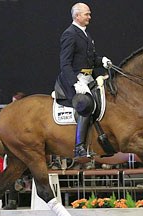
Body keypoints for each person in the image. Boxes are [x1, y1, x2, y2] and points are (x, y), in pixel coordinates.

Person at [55, 2, 112, 158]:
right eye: (86, 14)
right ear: (77, 15)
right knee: (85, 104)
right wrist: (75, 82)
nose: (89, 17)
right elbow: (65, 63)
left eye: (89, 14)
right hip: (73, 79)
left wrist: (102, 61)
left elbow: (91, 59)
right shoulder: (69, 34)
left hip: (88, 78)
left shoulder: (86, 34)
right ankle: (79, 147)